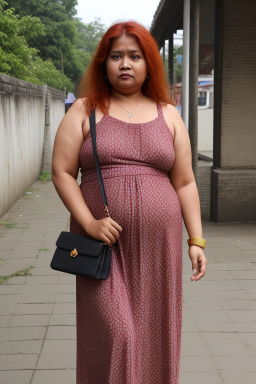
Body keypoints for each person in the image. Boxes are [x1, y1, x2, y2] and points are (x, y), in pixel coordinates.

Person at [51, 21, 207, 384]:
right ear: (103, 63)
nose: (125, 64)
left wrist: (196, 239)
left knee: (154, 335)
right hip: (100, 244)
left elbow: (184, 181)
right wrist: (89, 223)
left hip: (159, 247)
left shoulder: (168, 114)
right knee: (117, 333)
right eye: (116, 56)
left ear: (148, 62)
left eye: (134, 56)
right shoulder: (85, 111)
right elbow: (61, 172)